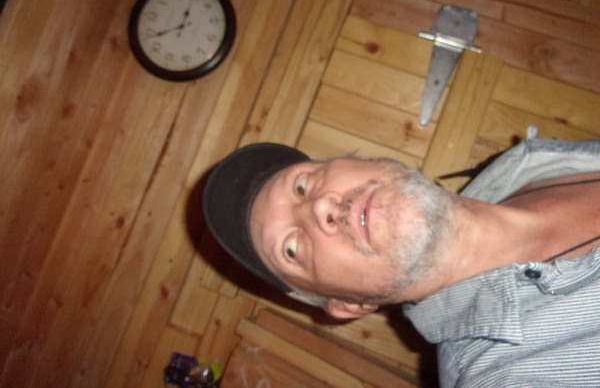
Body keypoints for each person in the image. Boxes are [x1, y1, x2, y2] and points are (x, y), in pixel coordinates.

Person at [203, 135, 600, 387]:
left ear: (362, 159)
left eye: (302, 184)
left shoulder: (525, 162)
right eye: (292, 249)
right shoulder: (504, 375)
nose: (319, 207)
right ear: (350, 304)